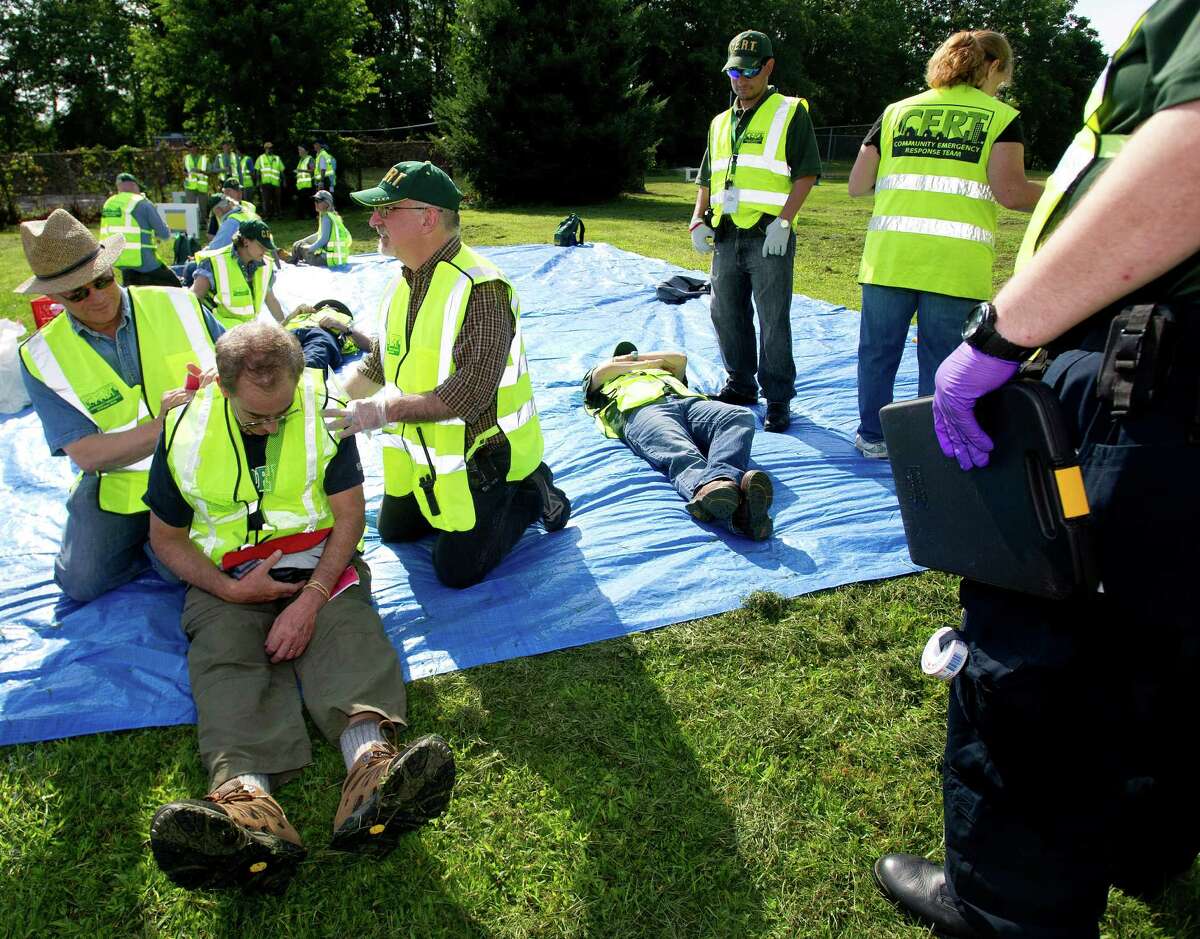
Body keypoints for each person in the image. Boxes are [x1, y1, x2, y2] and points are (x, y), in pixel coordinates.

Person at [873, 3, 1200, 936]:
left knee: (1040, 656)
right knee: (1171, 641)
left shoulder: (906, 110)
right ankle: (1145, 837)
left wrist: (1002, 335)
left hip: (1153, 372)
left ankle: (1006, 905)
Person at [144, 321, 455, 894]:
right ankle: (250, 814)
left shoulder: (324, 409)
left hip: (318, 564)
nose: (272, 424)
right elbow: (166, 539)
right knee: (225, 663)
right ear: (223, 387)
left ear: (298, 380)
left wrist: (311, 597)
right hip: (227, 577)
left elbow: (349, 518)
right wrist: (233, 591)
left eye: (282, 410)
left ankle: (373, 776)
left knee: (349, 636)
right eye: (256, 415)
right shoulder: (184, 426)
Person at [326, 160, 570, 589]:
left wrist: (379, 413)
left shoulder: (483, 290)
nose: (373, 220)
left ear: (428, 218)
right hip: (429, 449)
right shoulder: (402, 284)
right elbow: (377, 366)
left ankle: (532, 492)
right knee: (395, 532)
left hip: (488, 455)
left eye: (386, 210)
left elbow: (466, 397)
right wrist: (322, 401)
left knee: (455, 570)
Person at [847, 30, 1042, 460]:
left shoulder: (897, 112)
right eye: (1003, 77)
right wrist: (1066, 193)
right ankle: (923, 444)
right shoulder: (999, 117)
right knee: (940, 362)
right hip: (954, 265)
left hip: (889, 260)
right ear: (993, 66)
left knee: (878, 353)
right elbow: (1011, 194)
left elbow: (858, 184)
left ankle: (872, 436)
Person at [14, 209, 221, 602]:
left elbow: (243, 361)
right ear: (52, 297)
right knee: (80, 584)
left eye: (103, 280)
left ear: (114, 270)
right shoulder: (40, 356)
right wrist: (163, 426)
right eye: (78, 293)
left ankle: (158, 548)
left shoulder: (179, 303)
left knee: (188, 573)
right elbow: (87, 455)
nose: (97, 297)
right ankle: (151, 544)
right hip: (118, 486)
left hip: (199, 471)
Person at [689, 29, 822, 433]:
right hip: (726, 234)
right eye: (734, 71)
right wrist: (698, 217)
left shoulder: (790, 111)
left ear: (768, 67)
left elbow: (807, 173)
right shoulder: (719, 122)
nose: (741, 79)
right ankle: (741, 385)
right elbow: (707, 177)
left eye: (749, 71)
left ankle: (778, 398)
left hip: (769, 235)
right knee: (726, 313)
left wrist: (785, 222)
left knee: (773, 318)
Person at [584, 341, 774, 539]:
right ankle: (736, 514)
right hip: (642, 410)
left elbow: (679, 358)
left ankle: (721, 480)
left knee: (737, 416)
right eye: (628, 357)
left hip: (687, 402)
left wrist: (641, 361)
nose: (634, 358)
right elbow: (603, 371)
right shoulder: (603, 381)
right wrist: (650, 364)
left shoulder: (665, 374)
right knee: (682, 453)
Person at [193, 219, 286, 328]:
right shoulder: (214, 263)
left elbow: (271, 300)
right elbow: (194, 298)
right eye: (261, 246)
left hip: (248, 334)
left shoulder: (266, 265)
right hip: (220, 334)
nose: (265, 250)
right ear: (246, 241)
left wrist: (285, 326)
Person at [99, 172, 181, 288]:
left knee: (133, 297)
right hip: (145, 262)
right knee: (176, 287)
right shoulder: (142, 203)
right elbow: (163, 234)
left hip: (120, 261)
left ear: (118, 187)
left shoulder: (109, 203)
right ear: (134, 186)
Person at [281, 298, 372, 372]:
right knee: (272, 349)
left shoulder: (346, 322)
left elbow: (371, 346)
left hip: (322, 335)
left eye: (333, 308)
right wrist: (292, 315)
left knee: (311, 364)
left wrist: (340, 326)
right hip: (293, 332)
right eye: (323, 306)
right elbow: (273, 334)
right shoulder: (303, 316)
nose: (327, 306)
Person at [289, 190, 353, 267]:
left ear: (327, 203)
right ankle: (294, 259)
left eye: (318, 201)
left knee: (298, 247)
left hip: (328, 260)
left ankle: (290, 261)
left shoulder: (326, 218)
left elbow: (324, 239)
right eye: (315, 200)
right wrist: (304, 241)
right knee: (300, 244)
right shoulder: (332, 216)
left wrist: (308, 249)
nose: (315, 203)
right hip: (336, 259)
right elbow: (319, 234)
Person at [255, 142, 284, 220]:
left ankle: (279, 215)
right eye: (267, 148)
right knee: (266, 201)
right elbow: (258, 171)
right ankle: (267, 216)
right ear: (265, 149)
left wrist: (284, 181)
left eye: (270, 148)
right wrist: (258, 181)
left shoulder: (277, 158)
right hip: (265, 183)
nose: (269, 150)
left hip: (276, 183)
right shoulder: (260, 158)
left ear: (272, 149)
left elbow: (281, 171)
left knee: (277, 201)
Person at [294, 144, 314, 219]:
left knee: (308, 202)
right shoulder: (301, 160)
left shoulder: (310, 159)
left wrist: (300, 170)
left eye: (300, 150)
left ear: (305, 151)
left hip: (308, 184)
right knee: (301, 202)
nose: (299, 151)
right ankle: (301, 216)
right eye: (298, 150)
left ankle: (310, 216)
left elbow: (312, 170)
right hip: (300, 185)